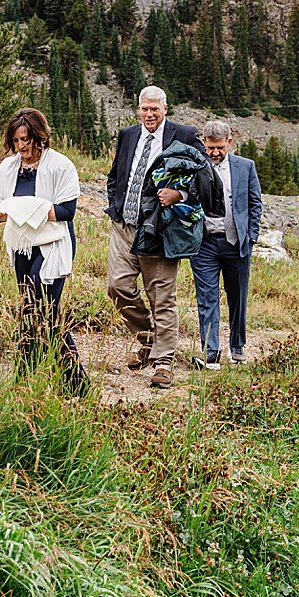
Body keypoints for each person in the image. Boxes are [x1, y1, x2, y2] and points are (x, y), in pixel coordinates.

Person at [104, 86, 202, 387]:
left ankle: (163, 362)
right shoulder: (128, 135)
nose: (149, 114)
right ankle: (148, 338)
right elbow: (115, 175)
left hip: (159, 229)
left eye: (154, 109)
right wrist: (115, 206)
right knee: (117, 286)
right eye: (144, 109)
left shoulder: (184, 135)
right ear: (138, 109)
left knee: (161, 296)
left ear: (165, 109)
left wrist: (180, 193)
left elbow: (206, 176)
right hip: (124, 225)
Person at [0, 107, 84, 393]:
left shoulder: (60, 165)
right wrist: (13, 211)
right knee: (31, 310)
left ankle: (67, 381)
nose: (23, 147)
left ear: (40, 137)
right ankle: (35, 380)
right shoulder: (8, 167)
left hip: (53, 244)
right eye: (17, 141)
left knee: (46, 309)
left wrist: (26, 208)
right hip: (21, 245)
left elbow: (66, 211)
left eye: (27, 140)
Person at [190, 120, 263, 367]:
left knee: (238, 297)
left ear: (229, 143)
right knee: (207, 298)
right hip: (204, 244)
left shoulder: (246, 167)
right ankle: (211, 351)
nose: (215, 153)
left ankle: (238, 346)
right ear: (204, 144)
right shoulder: (195, 166)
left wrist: (251, 236)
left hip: (237, 243)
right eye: (210, 147)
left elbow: (255, 203)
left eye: (220, 147)